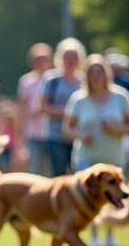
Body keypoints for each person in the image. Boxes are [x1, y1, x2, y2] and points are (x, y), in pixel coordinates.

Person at [63, 54, 129, 246]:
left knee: (113, 193)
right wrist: (81, 134)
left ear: (106, 74)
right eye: (92, 73)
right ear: (86, 75)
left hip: (113, 156)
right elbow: (67, 128)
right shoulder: (78, 98)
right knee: (90, 194)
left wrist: (115, 129)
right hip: (86, 156)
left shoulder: (120, 96)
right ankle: (94, 236)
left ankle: (110, 234)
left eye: (99, 72)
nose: (96, 76)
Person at [41, 37, 86, 177]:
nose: (71, 61)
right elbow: (43, 107)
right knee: (59, 176)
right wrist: (68, 112)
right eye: (68, 57)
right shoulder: (52, 79)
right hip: (56, 137)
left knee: (79, 176)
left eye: (74, 57)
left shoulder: (85, 80)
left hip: (78, 137)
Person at [15, 43, 52, 175]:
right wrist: (19, 142)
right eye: (38, 60)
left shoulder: (54, 79)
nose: (42, 63)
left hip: (51, 134)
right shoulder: (26, 81)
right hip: (32, 134)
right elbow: (21, 110)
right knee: (34, 171)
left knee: (50, 172)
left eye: (45, 59)